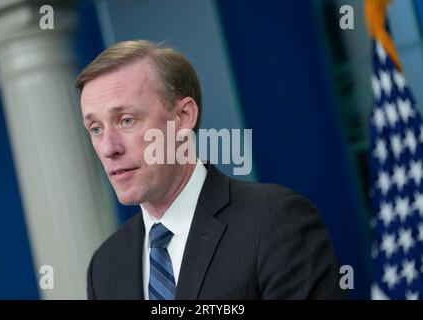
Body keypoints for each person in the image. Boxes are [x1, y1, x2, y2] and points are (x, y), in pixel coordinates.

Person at [75, 40, 346, 300]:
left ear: (183, 117)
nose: (109, 148)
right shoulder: (105, 267)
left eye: (126, 120)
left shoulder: (275, 223)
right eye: (96, 129)